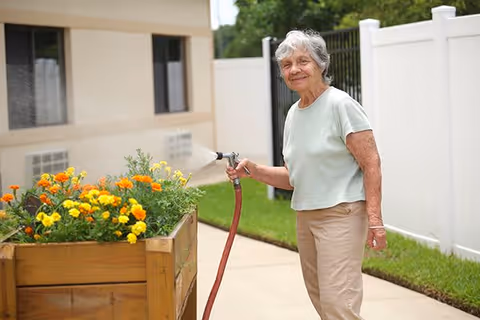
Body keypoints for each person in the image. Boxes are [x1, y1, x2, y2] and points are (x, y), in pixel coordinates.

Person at [226, 29, 387, 320]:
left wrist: (375, 221)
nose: (294, 69)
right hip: (306, 217)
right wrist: (255, 170)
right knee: (323, 304)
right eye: (286, 65)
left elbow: (371, 163)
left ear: (321, 64)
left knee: (339, 305)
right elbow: (294, 176)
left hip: (342, 214)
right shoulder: (293, 115)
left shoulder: (341, 105)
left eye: (303, 61)